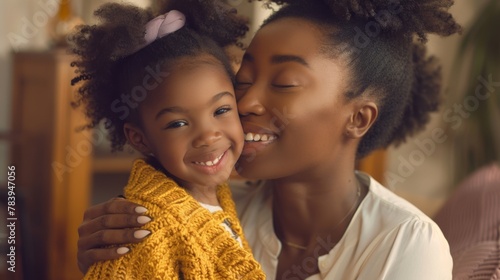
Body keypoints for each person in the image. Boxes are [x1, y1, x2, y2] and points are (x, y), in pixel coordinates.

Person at [76, 0, 462, 279]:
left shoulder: (406, 244)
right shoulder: (212, 214)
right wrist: (115, 260)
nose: (245, 102)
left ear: (358, 118)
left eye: (284, 83)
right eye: (241, 82)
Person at [69, 0, 265, 279]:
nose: (208, 135)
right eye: (178, 123)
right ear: (140, 139)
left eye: (221, 110)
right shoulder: (148, 231)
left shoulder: (218, 196)